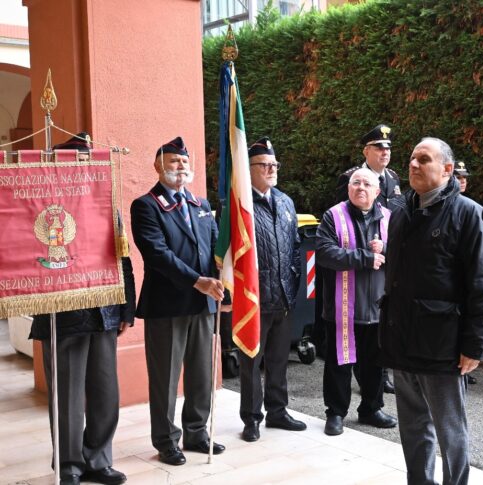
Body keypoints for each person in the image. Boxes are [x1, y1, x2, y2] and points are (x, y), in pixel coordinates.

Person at [379, 137, 483, 485]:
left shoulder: (469, 214)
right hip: (402, 339)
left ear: (447, 169)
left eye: (424, 159)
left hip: (441, 344)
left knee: (450, 431)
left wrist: (474, 345)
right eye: (412, 158)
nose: (413, 164)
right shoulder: (400, 211)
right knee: (413, 427)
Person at [30, 133, 136, 485]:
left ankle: (99, 458)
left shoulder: (105, 202)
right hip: (63, 314)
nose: (86, 167)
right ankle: (69, 465)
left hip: (103, 310)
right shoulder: (43, 204)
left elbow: (123, 258)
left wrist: (126, 308)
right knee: (67, 396)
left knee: (106, 392)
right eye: (77, 161)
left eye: (88, 161)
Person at [130, 136, 225, 466]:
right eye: (173, 161)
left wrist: (222, 282)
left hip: (203, 304)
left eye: (184, 161)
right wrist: (197, 281)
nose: (180, 166)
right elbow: (157, 254)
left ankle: (197, 431)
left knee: (201, 373)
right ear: (158, 166)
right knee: (165, 377)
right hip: (167, 305)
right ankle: (166, 440)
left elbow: (214, 249)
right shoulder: (146, 205)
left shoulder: (201, 205)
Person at [316, 168, 398, 436]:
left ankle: (371, 409)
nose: (361, 187)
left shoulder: (390, 218)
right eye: (356, 183)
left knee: (375, 364)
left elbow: (406, 253)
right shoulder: (333, 216)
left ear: (377, 191)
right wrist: (365, 258)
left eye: (367, 184)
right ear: (348, 188)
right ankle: (336, 413)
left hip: (378, 307)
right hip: (342, 309)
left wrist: (384, 249)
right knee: (339, 363)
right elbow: (325, 253)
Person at [239, 137, 306, 442]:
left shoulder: (286, 201)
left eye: (274, 164)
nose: (271, 169)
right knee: (252, 362)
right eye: (264, 165)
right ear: (249, 168)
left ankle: (277, 411)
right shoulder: (241, 204)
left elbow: (294, 247)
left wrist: (293, 284)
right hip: (254, 298)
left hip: (282, 296)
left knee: (279, 359)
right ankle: (252, 417)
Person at [335, 124, 402, 394]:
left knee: (381, 320)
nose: (384, 152)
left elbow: (397, 218)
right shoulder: (351, 177)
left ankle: (380, 374)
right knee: (357, 325)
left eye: (387, 148)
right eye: (378, 147)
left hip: (386, 258)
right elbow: (344, 224)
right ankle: (362, 376)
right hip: (358, 264)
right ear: (366, 151)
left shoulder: (393, 178)